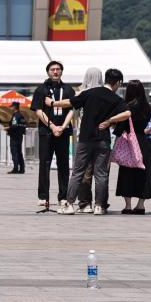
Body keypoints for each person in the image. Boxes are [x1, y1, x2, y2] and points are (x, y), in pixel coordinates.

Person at [50, 67, 129, 216]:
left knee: (78, 172)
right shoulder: (116, 99)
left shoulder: (90, 93)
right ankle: (99, 206)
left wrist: (53, 104)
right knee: (101, 174)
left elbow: (70, 102)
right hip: (103, 140)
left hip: (85, 139)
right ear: (118, 82)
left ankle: (69, 204)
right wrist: (109, 121)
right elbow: (127, 113)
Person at [31, 60, 75, 212]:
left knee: (64, 165)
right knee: (45, 164)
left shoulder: (68, 89)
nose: (55, 71)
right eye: (52, 69)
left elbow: (72, 109)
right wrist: (52, 126)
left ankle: (63, 196)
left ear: (62, 71)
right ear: (48, 72)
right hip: (46, 132)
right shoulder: (41, 90)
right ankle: (43, 196)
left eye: (58, 69)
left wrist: (63, 126)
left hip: (63, 131)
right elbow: (38, 110)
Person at [115, 79, 151, 214]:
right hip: (142, 141)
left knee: (126, 172)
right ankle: (140, 205)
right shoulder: (148, 107)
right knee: (143, 173)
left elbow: (121, 126)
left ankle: (128, 206)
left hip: (129, 141)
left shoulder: (126, 106)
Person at [70, 68, 102, 213]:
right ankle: (100, 204)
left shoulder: (81, 94)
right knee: (101, 173)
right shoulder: (106, 94)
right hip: (102, 136)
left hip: (84, 136)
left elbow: (75, 115)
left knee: (83, 171)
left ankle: (85, 203)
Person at [6, 102, 27, 174]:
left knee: (14, 152)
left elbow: (14, 126)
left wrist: (7, 128)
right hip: (20, 136)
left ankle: (15, 168)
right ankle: (22, 168)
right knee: (19, 152)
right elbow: (24, 125)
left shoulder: (15, 116)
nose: (10, 108)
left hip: (14, 136)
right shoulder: (21, 116)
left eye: (11, 106)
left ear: (14, 107)